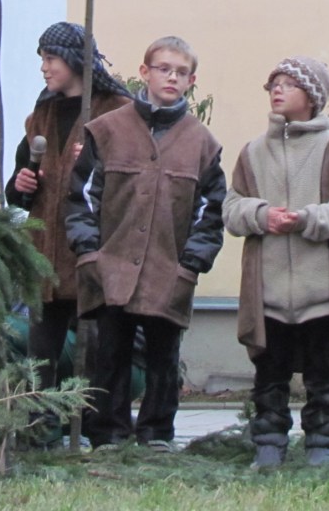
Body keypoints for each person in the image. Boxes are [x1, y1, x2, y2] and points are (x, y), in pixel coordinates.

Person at [66, 35, 226, 450]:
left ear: (191, 81)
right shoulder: (106, 131)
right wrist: (89, 252)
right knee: (110, 353)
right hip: (111, 265)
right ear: (145, 72)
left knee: (163, 356)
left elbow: (211, 211)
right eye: (163, 69)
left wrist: (191, 263)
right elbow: (82, 196)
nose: (172, 78)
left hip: (169, 268)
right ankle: (108, 432)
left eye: (181, 72)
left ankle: (157, 432)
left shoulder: (203, 143)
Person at [222, 56, 329, 468]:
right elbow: (231, 208)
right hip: (268, 296)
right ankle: (268, 447)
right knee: (269, 379)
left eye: (289, 84)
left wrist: (308, 219)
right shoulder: (252, 152)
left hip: (322, 296)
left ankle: (322, 448)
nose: (277, 90)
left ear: (312, 96)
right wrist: (261, 215)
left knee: (324, 379)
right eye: (274, 83)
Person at [4, 22, 131, 444]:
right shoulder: (41, 115)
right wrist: (21, 184)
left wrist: (100, 160)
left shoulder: (116, 111)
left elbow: (135, 183)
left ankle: (97, 431)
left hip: (94, 251)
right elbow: (20, 190)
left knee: (96, 351)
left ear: (76, 61)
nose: (44, 68)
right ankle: (40, 430)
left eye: (50, 59)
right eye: (42, 59)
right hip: (45, 254)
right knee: (41, 352)